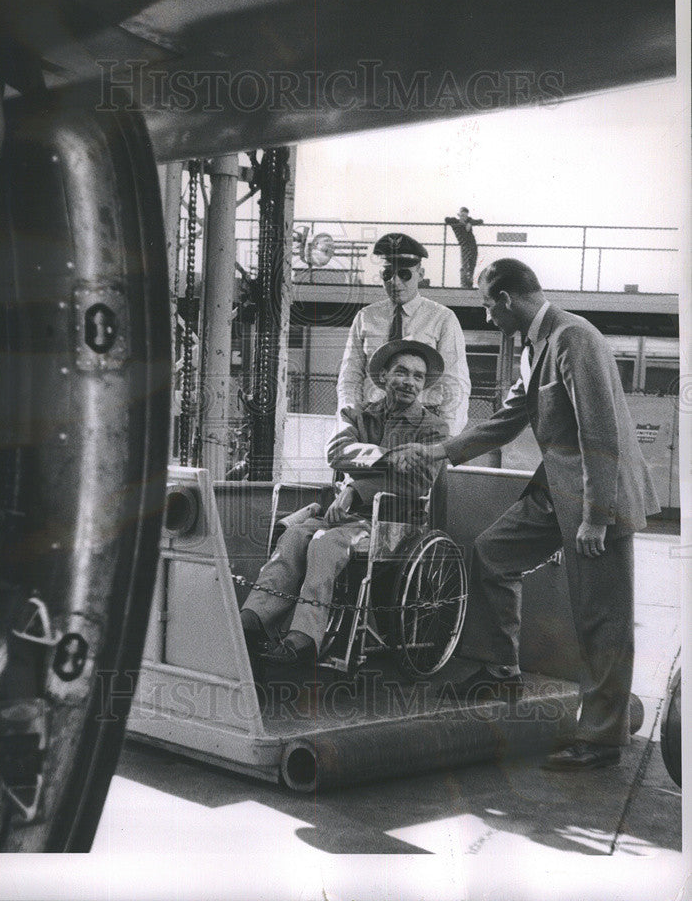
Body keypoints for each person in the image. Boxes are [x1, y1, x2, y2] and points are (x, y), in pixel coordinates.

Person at [390, 259, 660, 771]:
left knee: (603, 619)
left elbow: (599, 432)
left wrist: (596, 518)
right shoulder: (537, 346)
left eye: (488, 306)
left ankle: (603, 738)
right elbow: (509, 419)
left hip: (594, 500)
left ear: (508, 299)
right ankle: (502, 667)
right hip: (556, 492)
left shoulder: (574, 338)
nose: (488, 316)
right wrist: (440, 451)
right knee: (492, 552)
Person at [240, 339, 448, 669]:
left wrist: (355, 489)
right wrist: (387, 457)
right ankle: (253, 621)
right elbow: (336, 453)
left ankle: (304, 639)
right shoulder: (361, 415)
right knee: (293, 537)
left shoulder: (432, 428)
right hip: (340, 514)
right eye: (402, 372)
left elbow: (418, 482)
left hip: (392, 521)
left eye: (418, 377)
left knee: (324, 544)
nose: (410, 382)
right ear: (384, 376)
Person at [337, 233, 471, 435]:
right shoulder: (365, 317)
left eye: (404, 274)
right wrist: (349, 422)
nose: (395, 282)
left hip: (422, 425)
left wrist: (448, 435)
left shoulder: (443, 318)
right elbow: (350, 376)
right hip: (372, 422)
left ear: (420, 273)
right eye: (387, 274)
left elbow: (455, 382)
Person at [445, 207, 483, 288]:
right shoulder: (455, 222)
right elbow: (446, 219)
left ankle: (470, 284)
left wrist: (469, 222)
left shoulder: (469, 221)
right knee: (465, 266)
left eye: (465, 216)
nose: (463, 217)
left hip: (473, 246)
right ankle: (463, 284)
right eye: (462, 215)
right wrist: (460, 222)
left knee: (472, 265)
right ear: (459, 215)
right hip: (464, 246)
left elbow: (480, 221)